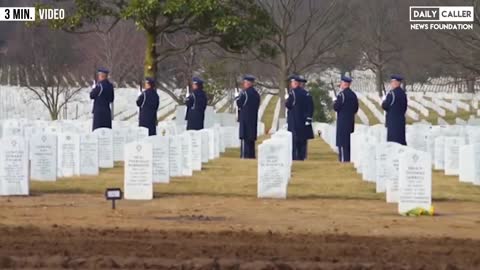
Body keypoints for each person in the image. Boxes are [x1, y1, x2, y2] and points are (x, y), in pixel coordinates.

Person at [333, 75, 359, 162]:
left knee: (342, 141)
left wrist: (335, 102)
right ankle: (348, 158)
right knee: (348, 141)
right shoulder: (353, 95)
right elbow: (356, 108)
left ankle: (343, 159)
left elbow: (336, 107)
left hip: (342, 121)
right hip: (350, 120)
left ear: (344, 84)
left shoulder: (342, 94)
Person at [285, 76, 310, 161]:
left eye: (292, 83)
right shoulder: (306, 93)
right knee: (302, 139)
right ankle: (302, 156)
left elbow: (289, 104)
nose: (291, 84)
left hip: (294, 119)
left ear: (295, 83)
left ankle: (295, 157)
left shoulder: (293, 93)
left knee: (294, 139)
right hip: (302, 119)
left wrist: (287, 101)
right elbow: (310, 107)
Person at [236, 75, 260, 159]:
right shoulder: (256, 94)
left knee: (245, 139)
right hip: (253, 119)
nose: (244, 84)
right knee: (251, 140)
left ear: (248, 83)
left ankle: (245, 156)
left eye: (245, 83)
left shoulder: (245, 93)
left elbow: (239, 103)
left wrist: (238, 97)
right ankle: (251, 156)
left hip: (245, 119)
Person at [382, 74, 407, 145]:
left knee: (393, 141)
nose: (391, 84)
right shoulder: (403, 93)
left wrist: (384, 101)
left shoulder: (392, 93)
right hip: (401, 119)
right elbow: (404, 107)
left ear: (396, 83)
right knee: (401, 140)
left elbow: (385, 106)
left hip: (392, 120)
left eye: (392, 82)